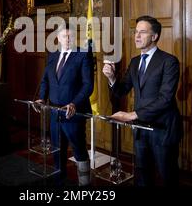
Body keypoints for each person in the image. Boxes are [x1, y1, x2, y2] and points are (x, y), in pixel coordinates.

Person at [102, 15, 182, 186]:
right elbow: (121, 91)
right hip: (141, 129)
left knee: (167, 176)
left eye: (142, 32)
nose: (137, 36)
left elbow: (165, 99)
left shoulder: (169, 62)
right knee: (142, 176)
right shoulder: (135, 61)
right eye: (136, 32)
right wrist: (111, 78)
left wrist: (132, 114)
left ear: (154, 36)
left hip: (163, 129)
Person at [36, 23, 93, 186]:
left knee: (79, 150)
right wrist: (42, 98)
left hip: (73, 112)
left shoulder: (82, 55)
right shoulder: (52, 55)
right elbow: (46, 80)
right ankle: (59, 183)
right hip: (54, 112)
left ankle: (85, 186)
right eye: (64, 36)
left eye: (71, 36)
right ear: (58, 38)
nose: (67, 39)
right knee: (57, 151)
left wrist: (74, 103)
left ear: (75, 37)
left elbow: (88, 85)